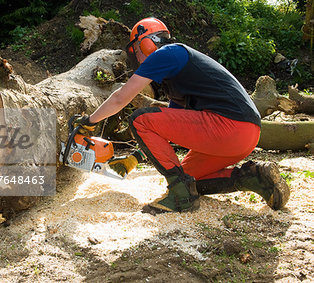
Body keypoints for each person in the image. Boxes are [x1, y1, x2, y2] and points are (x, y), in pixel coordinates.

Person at [73, 17, 290, 213]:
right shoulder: (178, 75)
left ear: (146, 42)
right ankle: (254, 178)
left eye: (137, 51)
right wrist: (135, 158)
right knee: (188, 178)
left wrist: (89, 123)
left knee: (140, 119)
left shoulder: (167, 53)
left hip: (229, 126)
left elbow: (122, 98)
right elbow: (169, 126)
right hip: (246, 134)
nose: (138, 58)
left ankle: (180, 199)